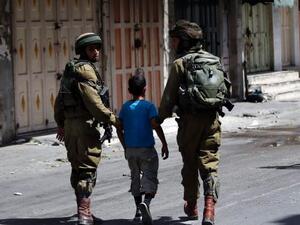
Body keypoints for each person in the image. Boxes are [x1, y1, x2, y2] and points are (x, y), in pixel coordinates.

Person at [159, 20, 230, 225]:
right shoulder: (214, 60)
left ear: (183, 41)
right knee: (209, 164)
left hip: (189, 122)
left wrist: (158, 118)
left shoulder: (181, 64)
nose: (172, 45)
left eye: (174, 41)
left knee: (190, 163)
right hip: (212, 120)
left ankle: (192, 206)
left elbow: (168, 98)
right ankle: (209, 209)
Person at [54, 32, 119, 225]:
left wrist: (61, 124)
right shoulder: (86, 71)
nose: (96, 52)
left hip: (71, 126)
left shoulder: (70, 71)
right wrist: (113, 119)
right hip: (84, 126)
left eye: (97, 48)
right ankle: (84, 214)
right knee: (87, 168)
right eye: (92, 49)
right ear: (84, 51)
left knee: (77, 168)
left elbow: (58, 102)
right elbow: (94, 103)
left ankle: (84, 212)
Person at [116, 69, 169, 225]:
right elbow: (154, 124)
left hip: (131, 150)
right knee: (150, 177)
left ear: (129, 91)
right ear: (145, 89)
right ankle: (146, 202)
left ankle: (138, 211)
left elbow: (119, 128)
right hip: (146, 149)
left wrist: (125, 145)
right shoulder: (148, 106)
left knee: (135, 178)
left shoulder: (125, 108)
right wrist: (164, 143)